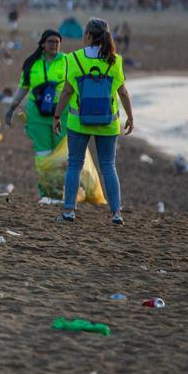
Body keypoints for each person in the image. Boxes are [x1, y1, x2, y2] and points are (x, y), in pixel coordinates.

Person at [52, 17, 134, 225]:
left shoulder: (74, 59)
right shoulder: (115, 61)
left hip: (79, 121)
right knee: (108, 166)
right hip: (108, 122)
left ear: (88, 35)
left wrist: (56, 116)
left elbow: (68, 91)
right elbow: (123, 92)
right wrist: (130, 117)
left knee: (74, 165)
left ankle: (69, 211)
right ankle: (116, 213)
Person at [4, 30, 68, 193]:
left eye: (57, 42)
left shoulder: (67, 61)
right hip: (36, 114)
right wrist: (11, 108)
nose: (55, 45)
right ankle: (45, 191)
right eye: (51, 42)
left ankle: (59, 190)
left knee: (60, 154)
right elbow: (23, 88)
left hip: (60, 114)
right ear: (43, 44)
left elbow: (75, 87)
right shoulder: (32, 63)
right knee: (43, 154)